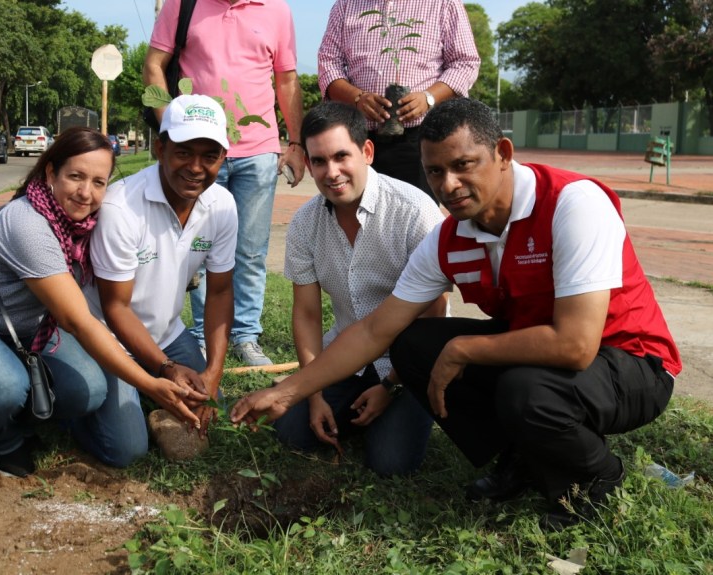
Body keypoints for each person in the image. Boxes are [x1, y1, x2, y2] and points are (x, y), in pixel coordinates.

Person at [232, 98, 681, 530]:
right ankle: (521, 454)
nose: (448, 185)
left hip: (632, 361)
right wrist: (288, 392)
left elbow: (576, 345)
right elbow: (374, 330)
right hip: (544, 358)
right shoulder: (450, 236)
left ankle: (598, 477)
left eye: (463, 164)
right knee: (414, 344)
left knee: (525, 390)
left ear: (503, 154)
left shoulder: (572, 202)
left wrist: (464, 349)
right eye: (435, 171)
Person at [0, 127, 207, 478]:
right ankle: (2, 437)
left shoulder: (84, 225)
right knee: (2, 386)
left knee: (90, 390)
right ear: (51, 173)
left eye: (98, 182)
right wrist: (150, 383)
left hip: (30, 331)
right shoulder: (27, 224)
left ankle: (29, 410)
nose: (86, 192)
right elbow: (77, 320)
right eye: (75, 177)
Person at [273, 101, 445, 475]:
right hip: (345, 357)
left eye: (341, 156)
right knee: (291, 430)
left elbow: (434, 315)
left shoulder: (414, 211)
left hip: (408, 364)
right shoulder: (304, 223)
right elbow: (307, 314)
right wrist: (313, 393)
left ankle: (395, 414)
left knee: (389, 464)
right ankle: (352, 412)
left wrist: (391, 386)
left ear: (367, 151)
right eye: (319, 161)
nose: (331, 172)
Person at [143, 0, 306, 366]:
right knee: (198, 248)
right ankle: (203, 335)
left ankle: (246, 336)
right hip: (199, 152)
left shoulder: (277, 9)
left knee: (250, 251)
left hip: (258, 150)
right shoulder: (183, 3)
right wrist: (171, 126)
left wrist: (296, 144)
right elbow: (154, 64)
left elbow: (287, 79)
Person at [84, 94, 236, 435]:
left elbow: (220, 292)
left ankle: (146, 386)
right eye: (184, 153)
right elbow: (116, 307)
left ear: (223, 158)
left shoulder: (223, 205)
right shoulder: (121, 207)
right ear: (160, 149)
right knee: (125, 447)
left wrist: (213, 373)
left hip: (167, 333)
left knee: (214, 409)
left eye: (209, 156)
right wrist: (166, 368)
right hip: (110, 337)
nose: (196, 167)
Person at [318, 0, 480, 201]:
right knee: (358, 210)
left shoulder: (443, 3)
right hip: (358, 137)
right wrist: (357, 98)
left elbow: (465, 62)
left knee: (417, 210)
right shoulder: (345, 5)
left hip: (419, 139)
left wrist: (428, 97)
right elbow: (328, 63)